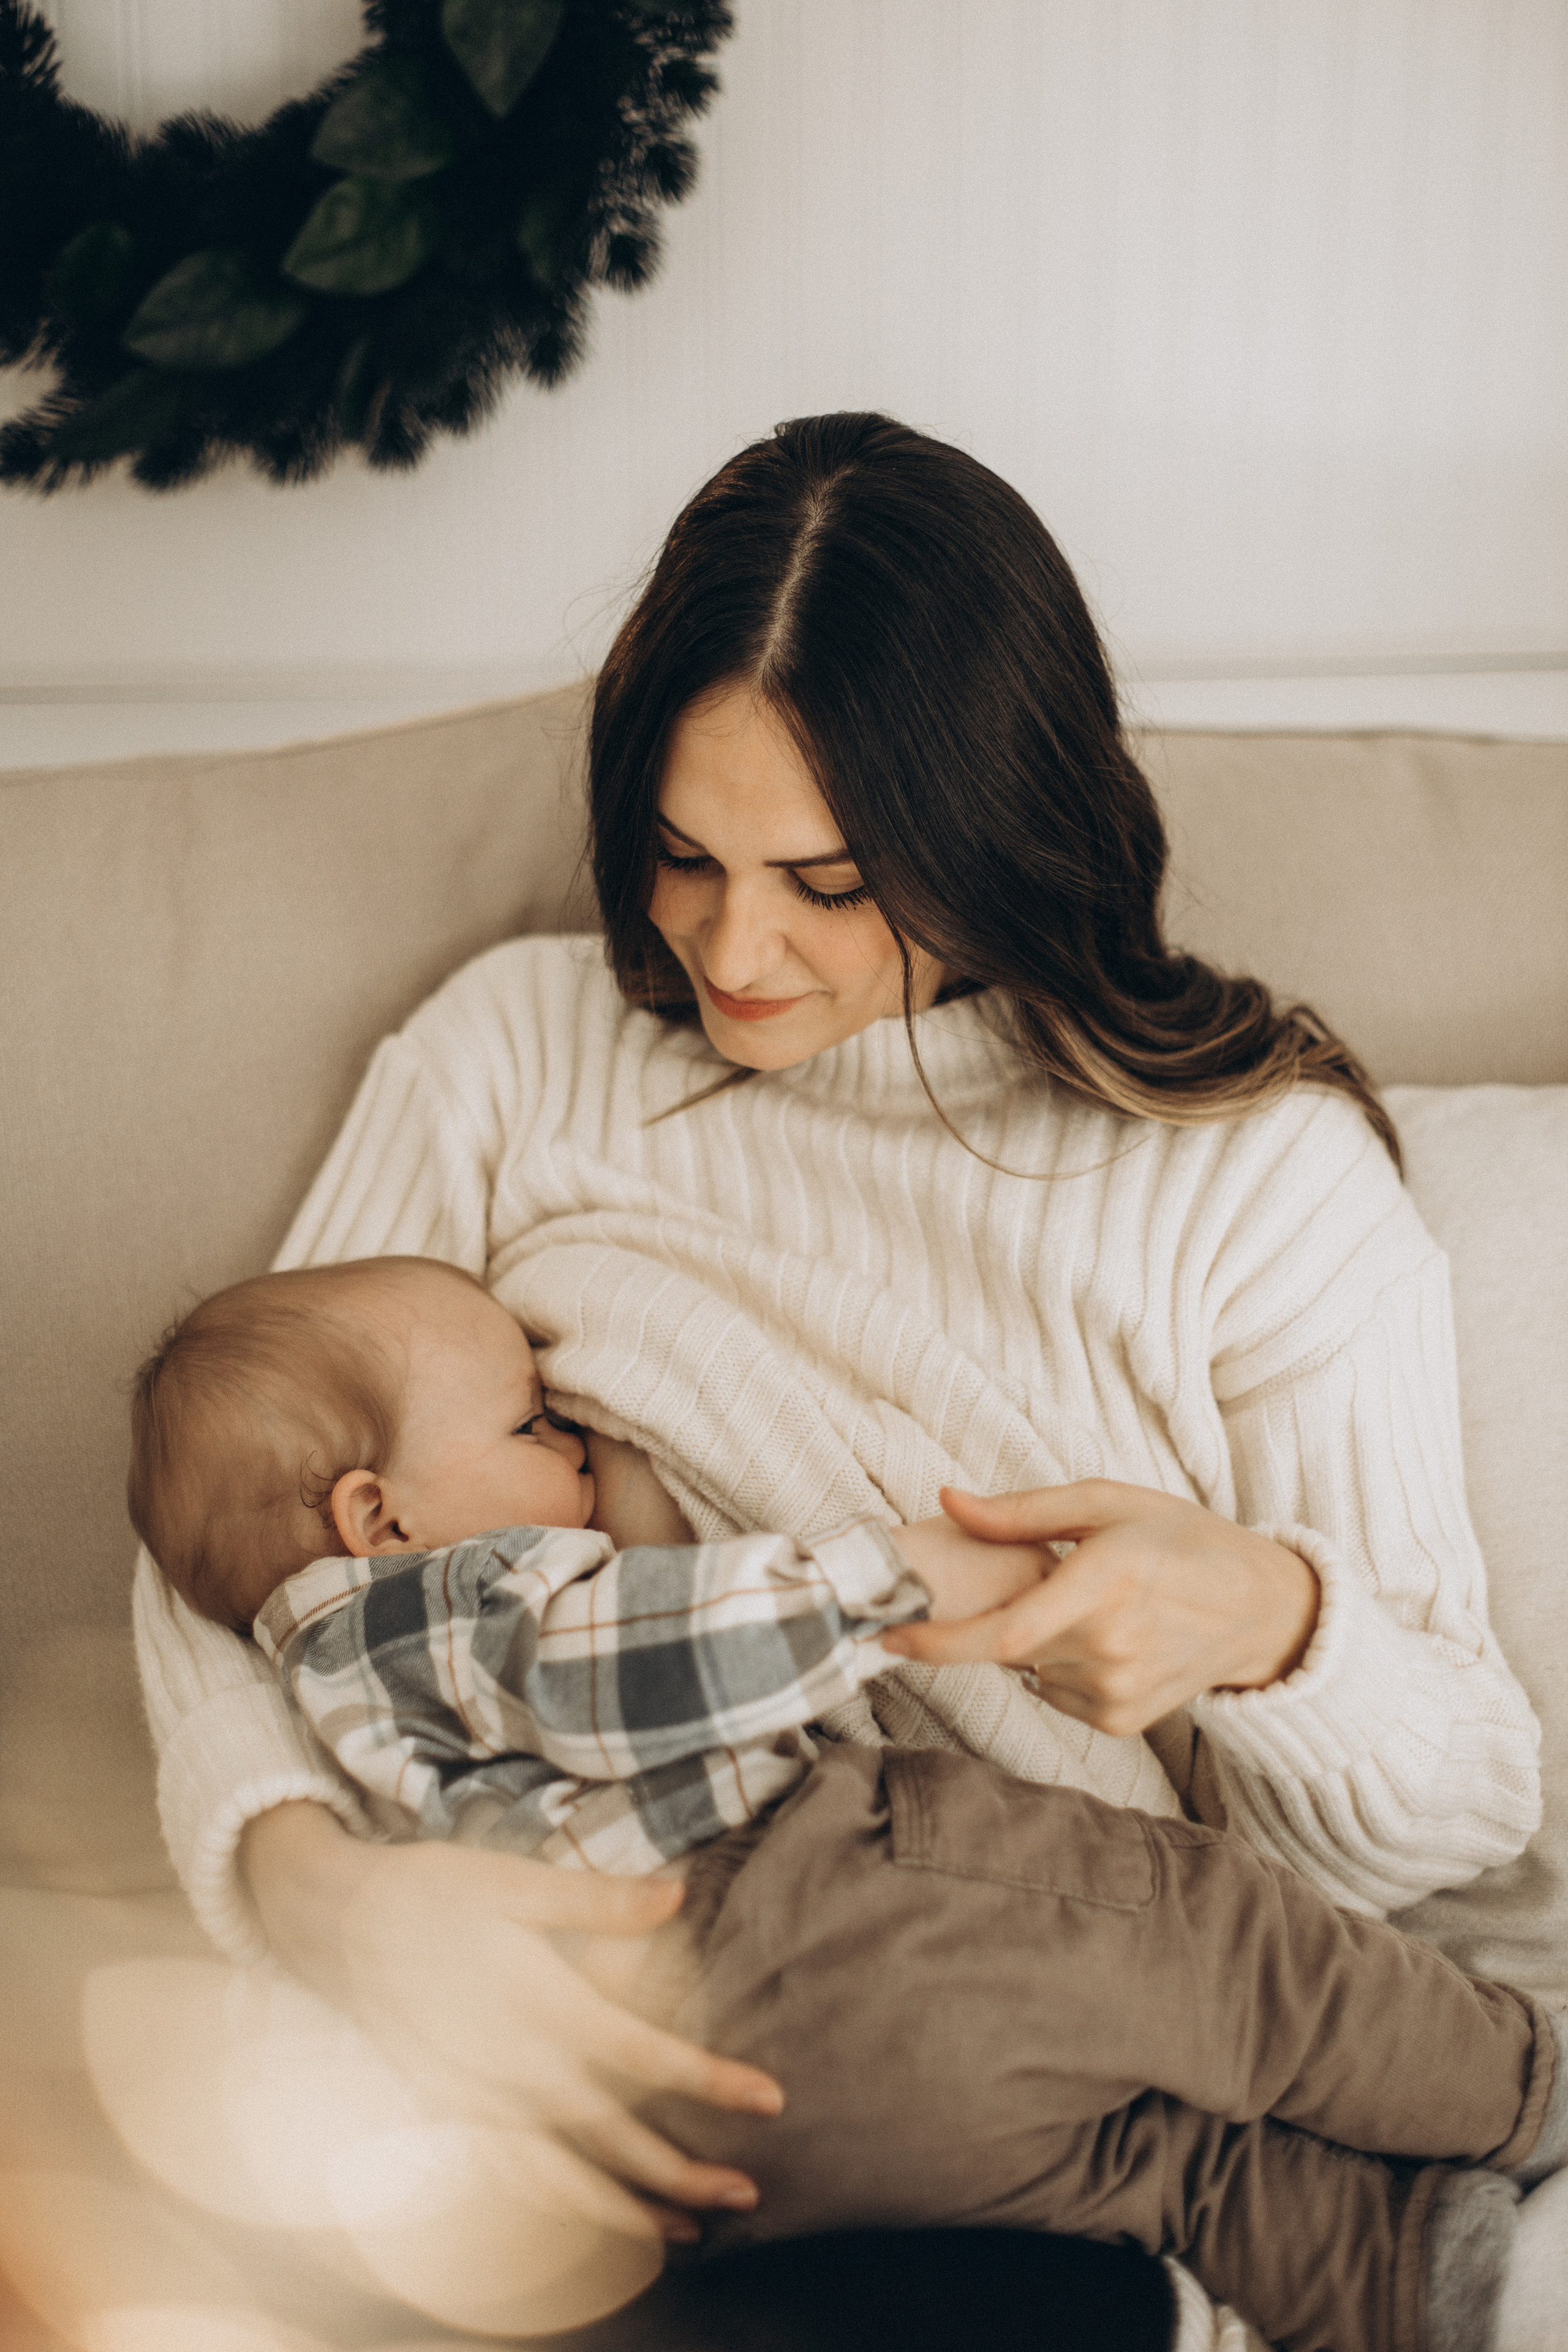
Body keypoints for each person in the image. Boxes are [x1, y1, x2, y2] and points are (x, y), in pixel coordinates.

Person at [131, 411, 1542, 2310]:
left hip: (1013, 2036)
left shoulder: (1252, 1181)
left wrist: (1266, 1624)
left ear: (993, 835)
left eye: (830, 880)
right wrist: (330, 1898)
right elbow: (245, 1525)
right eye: (680, 856)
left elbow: (1460, 1807)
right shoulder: (516, 1052)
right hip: (555, 1997)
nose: (734, 949)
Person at [126, 1251, 1568, 2352]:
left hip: (727, 2131)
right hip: (810, 1924)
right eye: (530, 1420)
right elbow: (622, 1666)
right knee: (1212, 1943)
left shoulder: (328, 1705)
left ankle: (1414, 2279)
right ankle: (1521, 2089)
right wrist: (889, 1579)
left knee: (1147, 2172)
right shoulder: (446, 1604)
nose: (570, 1442)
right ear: (378, 1517)